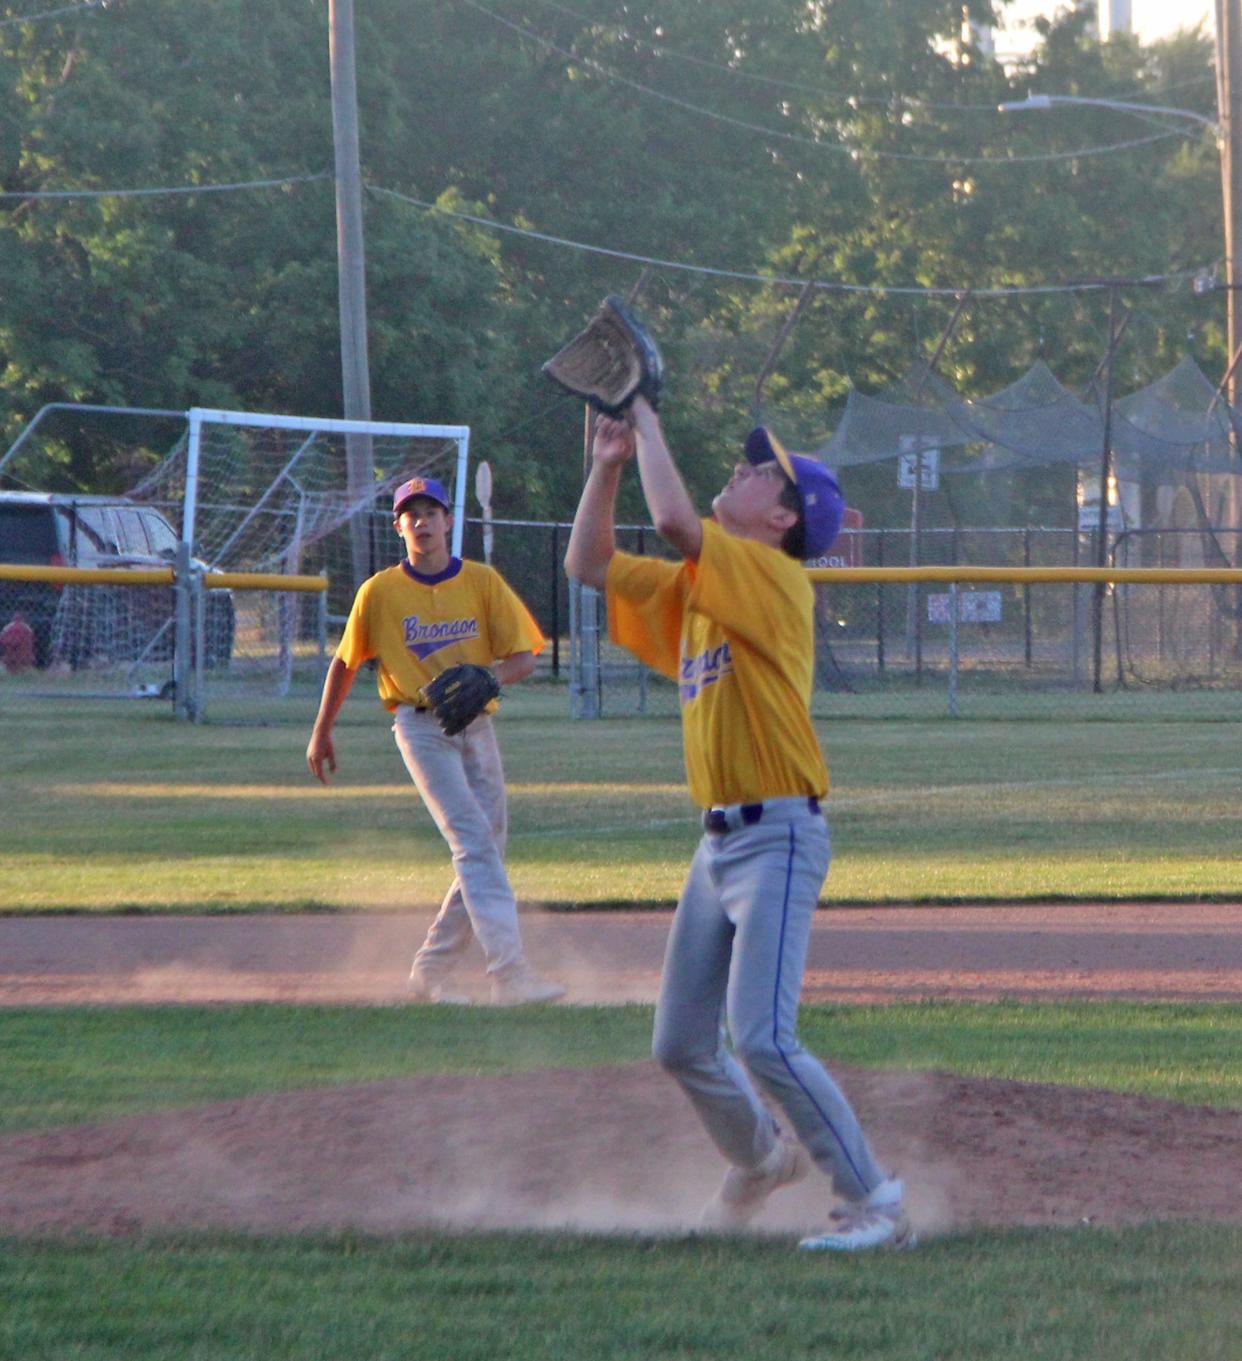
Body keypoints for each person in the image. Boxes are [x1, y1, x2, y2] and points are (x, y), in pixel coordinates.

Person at [564, 397, 911, 1251]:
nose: (743, 469)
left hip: (780, 834)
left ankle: (877, 1202)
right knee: (682, 1041)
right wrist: (606, 461)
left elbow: (676, 516)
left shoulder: (774, 575)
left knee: (761, 1036)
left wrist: (648, 417)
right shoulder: (703, 590)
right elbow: (588, 562)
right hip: (717, 844)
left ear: (784, 517)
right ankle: (761, 1159)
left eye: (761, 472)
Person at [307, 475, 566, 1007]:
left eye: (431, 511)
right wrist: (322, 730)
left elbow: (524, 657)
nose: (422, 521)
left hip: (476, 726)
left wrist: (492, 677)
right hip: (420, 726)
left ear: (449, 520)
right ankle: (510, 975)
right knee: (473, 841)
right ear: (399, 526)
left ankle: (430, 970)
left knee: (485, 847)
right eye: (411, 513)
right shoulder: (379, 592)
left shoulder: (482, 581)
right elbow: (346, 661)